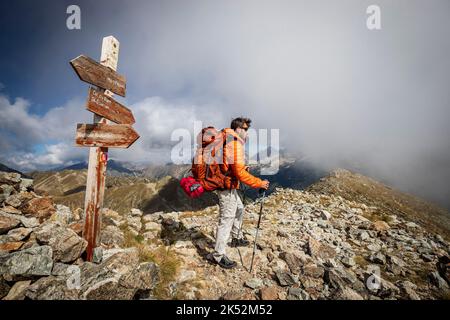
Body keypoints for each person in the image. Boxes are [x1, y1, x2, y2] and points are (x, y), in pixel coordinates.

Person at [211, 117, 270, 269]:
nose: (247, 133)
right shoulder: (234, 143)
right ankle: (218, 255)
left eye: (247, 129)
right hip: (226, 187)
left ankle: (236, 237)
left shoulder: (228, 140)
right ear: (238, 129)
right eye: (245, 129)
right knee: (226, 219)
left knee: (239, 208)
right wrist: (259, 183)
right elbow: (239, 173)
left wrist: (242, 169)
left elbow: (233, 166)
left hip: (228, 185)